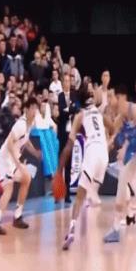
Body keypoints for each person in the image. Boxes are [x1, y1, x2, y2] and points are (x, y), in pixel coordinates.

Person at [56, 85, 110, 250]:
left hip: (92, 152)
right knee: (90, 194)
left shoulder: (80, 115)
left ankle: (72, 230)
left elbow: (68, 147)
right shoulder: (99, 112)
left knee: (79, 198)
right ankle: (93, 198)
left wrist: (58, 171)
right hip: (104, 154)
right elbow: (114, 127)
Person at [103, 84, 136, 243]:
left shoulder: (134, 110)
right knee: (123, 180)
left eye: (111, 97)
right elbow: (113, 134)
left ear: (120, 98)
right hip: (135, 154)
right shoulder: (120, 119)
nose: (109, 100)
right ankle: (115, 229)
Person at [0, 98, 40, 235]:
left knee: (26, 179)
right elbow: (9, 144)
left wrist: (35, 152)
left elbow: (26, 140)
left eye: (36, 108)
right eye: (32, 108)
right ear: (26, 109)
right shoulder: (20, 125)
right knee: (8, 189)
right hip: (6, 159)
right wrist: (18, 164)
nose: (35, 111)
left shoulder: (30, 124)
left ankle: (17, 216)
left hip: (12, 160)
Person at [58, 73, 80, 203]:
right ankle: (58, 192)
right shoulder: (60, 96)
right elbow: (62, 113)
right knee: (61, 163)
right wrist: (69, 109)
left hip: (71, 134)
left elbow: (76, 109)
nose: (67, 83)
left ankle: (67, 194)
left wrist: (69, 110)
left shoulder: (74, 95)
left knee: (69, 164)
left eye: (68, 81)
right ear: (62, 83)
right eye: (65, 81)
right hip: (62, 134)